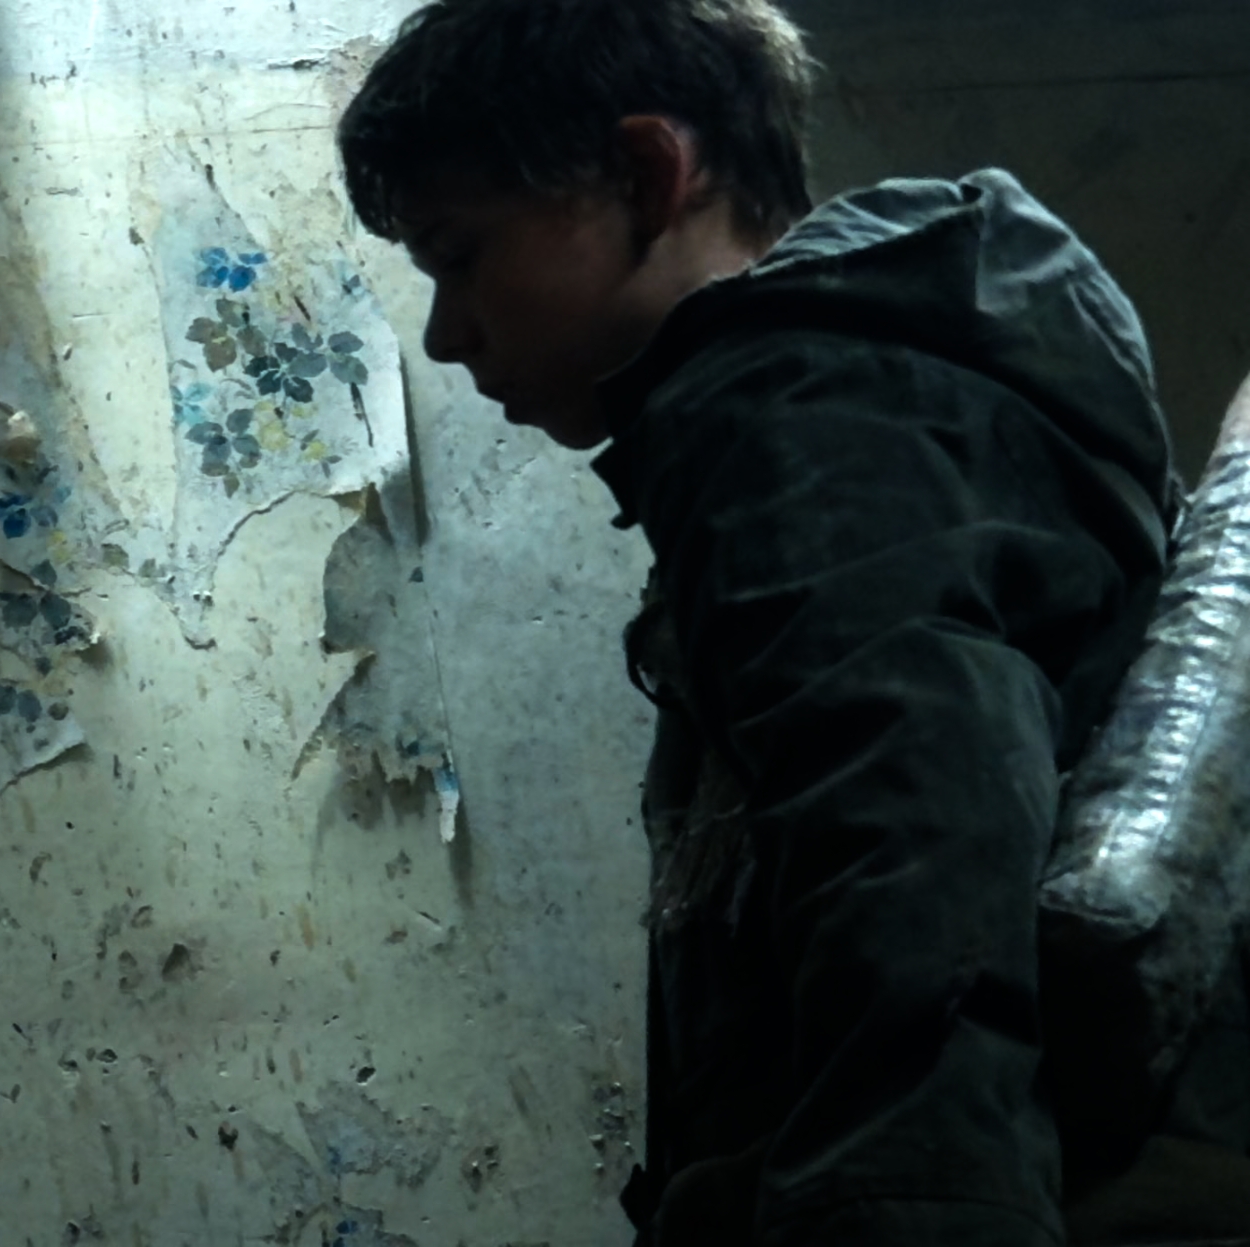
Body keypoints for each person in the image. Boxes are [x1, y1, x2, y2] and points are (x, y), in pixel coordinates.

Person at [339, 1, 1250, 1243]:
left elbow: (909, 848)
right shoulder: (901, 380)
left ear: (649, 173)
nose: (446, 336)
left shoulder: (798, 412)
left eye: (459, 254)